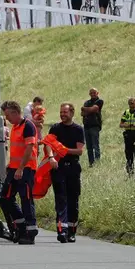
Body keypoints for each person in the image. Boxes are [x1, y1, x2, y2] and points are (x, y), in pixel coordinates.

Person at [0, 100, 38, 245]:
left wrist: (21, 168)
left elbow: (29, 148)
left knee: (26, 198)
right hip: (15, 168)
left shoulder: (28, 126)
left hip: (26, 169)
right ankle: (21, 225)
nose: (6, 118)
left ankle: (30, 231)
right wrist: (12, 165)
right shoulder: (15, 127)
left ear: (15, 112)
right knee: (5, 196)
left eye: (8, 115)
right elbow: (17, 149)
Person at [47, 103, 85, 243]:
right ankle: (61, 230)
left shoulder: (78, 129)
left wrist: (63, 150)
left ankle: (72, 231)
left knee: (73, 200)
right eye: (61, 112)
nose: (63, 114)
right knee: (60, 199)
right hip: (58, 168)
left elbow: (79, 151)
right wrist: (51, 157)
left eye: (65, 112)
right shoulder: (55, 128)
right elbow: (48, 144)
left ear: (72, 113)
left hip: (73, 168)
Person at [81, 87, 103, 166]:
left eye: (94, 92)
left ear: (97, 93)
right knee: (89, 147)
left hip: (94, 126)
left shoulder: (99, 101)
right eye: (91, 93)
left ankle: (97, 162)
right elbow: (82, 113)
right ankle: (91, 163)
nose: (93, 94)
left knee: (95, 145)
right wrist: (90, 110)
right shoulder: (87, 102)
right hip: (86, 126)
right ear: (89, 94)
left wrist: (86, 109)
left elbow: (94, 109)